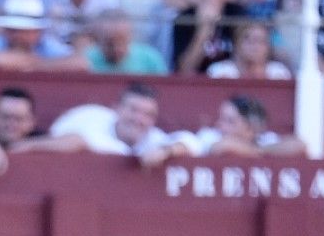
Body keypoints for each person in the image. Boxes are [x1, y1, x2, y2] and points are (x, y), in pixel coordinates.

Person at [142, 93, 308, 161]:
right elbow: (220, 147)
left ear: (250, 129)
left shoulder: (266, 140)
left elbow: (299, 144)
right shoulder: (210, 136)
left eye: (229, 121)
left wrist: (257, 151)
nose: (219, 125)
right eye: (221, 119)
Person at [46, 82, 174, 157]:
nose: (139, 119)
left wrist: (167, 151)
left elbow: (188, 141)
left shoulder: (153, 137)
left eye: (148, 114)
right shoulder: (90, 121)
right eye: (133, 110)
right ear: (116, 109)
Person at [85, 9, 168, 73]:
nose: (117, 48)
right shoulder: (86, 60)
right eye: (110, 43)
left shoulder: (150, 59)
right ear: (97, 39)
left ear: (130, 36)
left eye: (122, 41)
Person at [204, 18, 289, 78]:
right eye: (248, 39)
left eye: (260, 40)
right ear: (236, 44)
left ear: (268, 47)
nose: (254, 46)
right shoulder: (220, 71)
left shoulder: (278, 73)